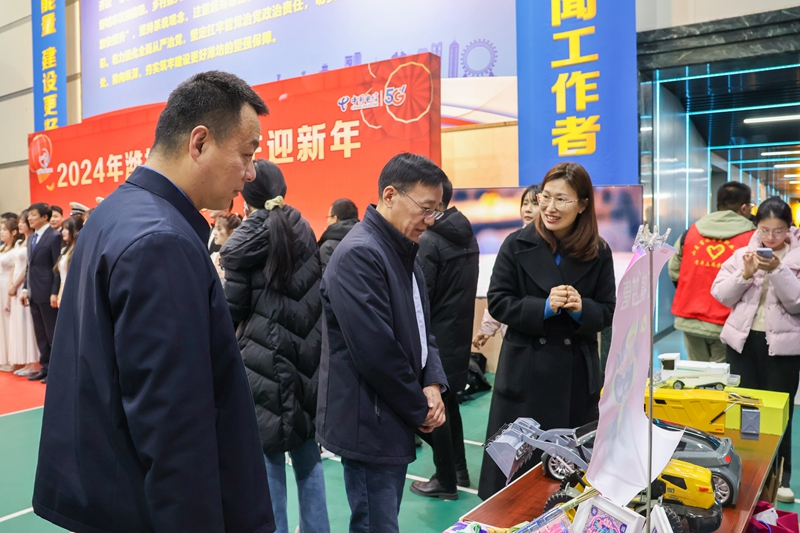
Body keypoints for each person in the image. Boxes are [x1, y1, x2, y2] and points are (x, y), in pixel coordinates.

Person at [33, 71, 275, 533]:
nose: (250, 173)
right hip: (144, 509)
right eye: (247, 154)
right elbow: (174, 428)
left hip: (109, 494)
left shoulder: (114, 214)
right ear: (199, 143)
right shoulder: (161, 241)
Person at [317, 153, 448, 533]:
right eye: (425, 208)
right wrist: (419, 408)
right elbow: (376, 351)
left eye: (436, 211)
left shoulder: (402, 251)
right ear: (390, 196)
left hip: (391, 410)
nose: (430, 220)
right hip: (370, 417)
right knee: (376, 523)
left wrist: (432, 382)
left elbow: (422, 327)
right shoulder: (360, 254)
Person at [477, 162, 616, 500]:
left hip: (575, 375)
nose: (550, 207)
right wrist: (543, 306)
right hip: (525, 373)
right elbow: (498, 301)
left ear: (582, 205)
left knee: (568, 482)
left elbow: (608, 310)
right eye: (545, 197)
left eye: (562, 199)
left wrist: (582, 308)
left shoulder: (599, 251)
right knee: (513, 483)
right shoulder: (515, 244)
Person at [222, 159, 329, 533]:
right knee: (307, 453)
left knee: (267, 458)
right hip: (306, 357)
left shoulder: (243, 244)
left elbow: (232, 309)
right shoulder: (303, 226)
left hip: (262, 361)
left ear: (246, 197)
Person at [711, 197, 800, 503]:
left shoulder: (796, 257)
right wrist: (745, 274)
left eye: (778, 231)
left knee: (780, 414)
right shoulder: (742, 254)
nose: (771, 237)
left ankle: (781, 477)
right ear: (756, 226)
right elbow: (720, 294)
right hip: (743, 343)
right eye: (764, 230)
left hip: (784, 349)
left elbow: (796, 302)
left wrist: (778, 270)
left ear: (789, 228)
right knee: (744, 411)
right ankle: (746, 472)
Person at [410, 179, 479, 500]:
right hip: (459, 332)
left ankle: (446, 479)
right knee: (449, 405)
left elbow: (420, 298)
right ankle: (458, 469)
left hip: (436, 336)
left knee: (434, 408)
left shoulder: (430, 240)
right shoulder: (466, 234)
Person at [669, 182, 755, 362]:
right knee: (722, 375)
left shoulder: (691, 232)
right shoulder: (752, 238)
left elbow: (674, 269)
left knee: (696, 373)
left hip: (690, 319)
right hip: (727, 322)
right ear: (744, 208)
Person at [472, 184, 540, 350]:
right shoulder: (512, 244)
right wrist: (487, 328)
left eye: (534, 204)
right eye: (525, 204)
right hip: (514, 334)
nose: (528, 209)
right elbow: (501, 291)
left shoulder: (555, 245)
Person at [20, 202, 62, 383]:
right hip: (33, 292)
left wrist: (54, 291)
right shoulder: (31, 238)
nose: (29, 218)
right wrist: (25, 288)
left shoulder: (54, 236)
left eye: (33, 215)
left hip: (47, 292)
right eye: (29, 215)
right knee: (40, 333)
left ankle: (56, 370)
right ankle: (45, 367)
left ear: (45, 217)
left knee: (52, 333)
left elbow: (57, 267)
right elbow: (29, 266)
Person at [9, 211, 39, 376]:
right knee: (18, 323)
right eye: (19, 222)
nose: (20, 225)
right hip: (15, 285)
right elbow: (14, 265)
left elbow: (27, 267)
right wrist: (11, 284)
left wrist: (17, 285)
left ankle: (33, 362)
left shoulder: (32, 241)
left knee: (27, 322)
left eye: (22, 222)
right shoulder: (20, 242)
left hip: (24, 285)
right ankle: (25, 361)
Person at [317, 198, 359, 270]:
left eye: (328, 217)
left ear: (335, 218)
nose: (327, 221)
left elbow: (328, 275)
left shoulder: (328, 247)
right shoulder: (367, 239)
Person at [0, 219, 16, 372]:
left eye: (5, 229)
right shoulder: (2, 248)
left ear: (13, 232)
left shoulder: (15, 250)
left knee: (8, 322)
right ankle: (2, 357)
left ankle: (12, 358)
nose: (1, 232)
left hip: (7, 286)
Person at [55, 217, 81, 306]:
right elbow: (62, 278)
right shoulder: (64, 250)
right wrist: (59, 295)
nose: (63, 232)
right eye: (62, 229)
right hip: (63, 291)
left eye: (66, 229)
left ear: (76, 231)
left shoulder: (78, 251)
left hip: (73, 292)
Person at [210, 211, 241, 279]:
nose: (215, 233)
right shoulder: (214, 255)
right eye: (215, 228)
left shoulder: (237, 258)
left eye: (219, 229)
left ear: (231, 232)